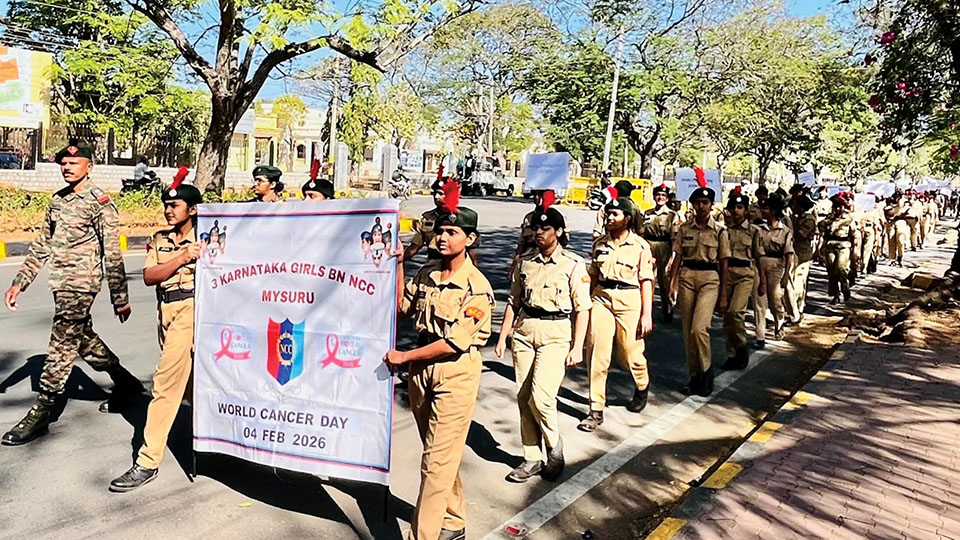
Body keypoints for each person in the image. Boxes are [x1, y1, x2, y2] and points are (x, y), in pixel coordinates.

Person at [2, 145, 138, 446]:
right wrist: (19, 283)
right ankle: (125, 381)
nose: (67, 167)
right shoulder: (58, 201)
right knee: (82, 336)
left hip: (83, 283)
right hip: (60, 284)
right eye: (63, 162)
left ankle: (42, 410)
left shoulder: (99, 201)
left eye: (74, 162)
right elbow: (42, 246)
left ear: (89, 167)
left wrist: (120, 295)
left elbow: (112, 252)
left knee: (62, 341)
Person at [384, 184, 494, 540]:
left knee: (434, 463)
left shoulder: (476, 287)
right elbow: (403, 307)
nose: (443, 238)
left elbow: (453, 344)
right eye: (441, 231)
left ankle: (423, 535)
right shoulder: (427, 273)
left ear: (470, 239)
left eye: (452, 232)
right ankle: (453, 519)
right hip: (421, 371)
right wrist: (399, 265)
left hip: (454, 372)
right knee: (440, 456)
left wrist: (403, 357)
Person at [108, 168, 202, 491]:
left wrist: (192, 254)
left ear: (193, 210)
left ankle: (147, 460)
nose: (168, 210)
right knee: (190, 387)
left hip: (191, 310)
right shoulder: (161, 240)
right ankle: (226, 442)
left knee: (164, 384)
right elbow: (150, 276)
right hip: (165, 311)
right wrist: (180, 257)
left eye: (175, 206)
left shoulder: (206, 241)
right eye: (166, 205)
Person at [495, 206, 590, 482]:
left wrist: (577, 347)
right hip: (525, 331)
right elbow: (514, 302)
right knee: (524, 397)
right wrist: (503, 336)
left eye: (545, 228)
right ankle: (531, 458)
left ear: (558, 232)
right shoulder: (526, 262)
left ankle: (554, 444)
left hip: (556, 332)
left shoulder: (572, 264)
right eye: (535, 228)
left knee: (542, 396)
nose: (538, 233)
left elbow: (582, 308)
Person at [577, 197, 656, 433]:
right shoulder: (600, 244)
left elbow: (646, 281)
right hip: (601, 297)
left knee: (631, 352)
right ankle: (595, 408)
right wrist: (581, 303)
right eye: (608, 214)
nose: (609, 218)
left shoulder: (640, 246)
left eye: (615, 215)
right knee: (597, 352)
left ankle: (642, 385)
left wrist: (647, 315)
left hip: (629, 299)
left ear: (627, 219)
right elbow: (592, 275)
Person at [669, 185, 730, 397]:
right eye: (697, 203)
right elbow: (678, 256)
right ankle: (694, 376)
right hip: (687, 277)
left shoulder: (720, 231)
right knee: (687, 332)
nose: (701, 206)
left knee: (699, 329)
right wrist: (672, 283)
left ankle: (706, 372)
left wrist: (723, 294)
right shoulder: (685, 229)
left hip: (710, 279)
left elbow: (724, 262)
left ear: (712, 205)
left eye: (705, 203)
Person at [721, 187, 762, 370]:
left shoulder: (753, 232)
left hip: (745, 274)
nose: (736, 211)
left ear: (746, 210)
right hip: (727, 273)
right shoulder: (724, 231)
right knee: (726, 317)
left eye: (740, 207)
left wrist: (763, 283)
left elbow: (759, 258)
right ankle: (732, 355)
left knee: (736, 312)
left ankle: (741, 347)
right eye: (733, 207)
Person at [753, 194, 794, 342]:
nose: (763, 211)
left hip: (776, 266)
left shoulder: (785, 231)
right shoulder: (758, 229)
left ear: (774, 210)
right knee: (759, 301)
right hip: (758, 265)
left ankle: (779, 324)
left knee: (775, 300)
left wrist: (786, 275)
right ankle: (760, 336)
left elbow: (788, 254)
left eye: (767, 208)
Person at [640, 183, 681, 323]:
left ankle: (667, 310)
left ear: (667, 198)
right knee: (648, 280)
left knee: (665, 281)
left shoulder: (672, 215)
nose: (660, 198)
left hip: (665, 248)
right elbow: (641, 234)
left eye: (663, 196)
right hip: (649, 247)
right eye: (658, 195)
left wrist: (673, 257)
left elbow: (674, 238)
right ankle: (647, 312)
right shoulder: (647, 213)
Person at [819, 192, 861, 304]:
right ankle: (835, 295)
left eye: (840, 206)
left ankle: (844, 284)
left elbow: (855, 235)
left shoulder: (849, 219)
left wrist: (855, 251)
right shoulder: (829, 219)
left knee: (841, 268)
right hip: (830, 246)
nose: (838, 209)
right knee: (831, 270)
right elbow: (821, 229)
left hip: (843, 246)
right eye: (835, 206)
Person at [784, 194, 817, 322]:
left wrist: (793, 222)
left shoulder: (808, 219)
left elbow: (800, 235)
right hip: (792, 252)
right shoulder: (794, 217)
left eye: (795, 205)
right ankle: (793, 310)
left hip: (803, 253)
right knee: (790, 281)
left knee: (798, 283)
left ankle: (798, 309)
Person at [405, 178, 448, 262]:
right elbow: (414, 247)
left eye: (440, 193)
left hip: (456, 269)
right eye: (434, 193)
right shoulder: (427, 218)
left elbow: (470, 251)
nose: (436, 197)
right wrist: (397, 262)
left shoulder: (460, 218)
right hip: (433, 265)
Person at [884, 191, 909, 267]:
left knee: (900, 240)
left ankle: (900, 256)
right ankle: (892, 258)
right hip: (891, 222)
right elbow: (886, 210)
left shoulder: (905, 202)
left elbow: (904, 211)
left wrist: (895, 213)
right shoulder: (889, 202)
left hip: (900, 221)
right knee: (891, 241)